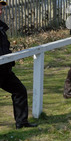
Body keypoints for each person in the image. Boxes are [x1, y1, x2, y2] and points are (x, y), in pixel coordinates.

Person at [0, 1, 37, 129]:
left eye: (1, 9)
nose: (0, 11)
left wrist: (10, 58)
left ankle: (22, 122)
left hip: (4, 70)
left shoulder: (1, 27)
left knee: (20, 91)